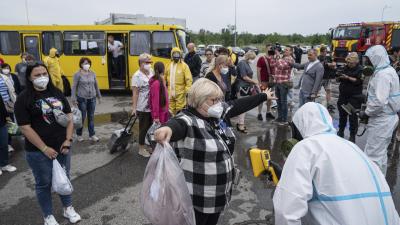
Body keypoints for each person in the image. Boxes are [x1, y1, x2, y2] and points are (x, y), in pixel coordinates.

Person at [154, 78, 276, 225]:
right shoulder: (188, 120)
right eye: (214, 100)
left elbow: (237, 105)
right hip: (197, 199)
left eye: (220, 99)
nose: (218, 103)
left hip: (218, 195)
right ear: (199, 100)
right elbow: (177, 125)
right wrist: (167, 129)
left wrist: (263, 96)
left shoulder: (215, 114)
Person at [273, 102, 400, 225]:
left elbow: (286, 212)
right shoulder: (352, 147)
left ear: (299, 128)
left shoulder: (306, 147)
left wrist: (286, 184)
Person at [14, 62, 81, 225]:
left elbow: (69, 117)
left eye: (44, 73)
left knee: (64, 178)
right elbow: (25, 127)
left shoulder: (56, 92)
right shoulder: (23, 99)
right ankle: (48, 216)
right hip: (38, 152)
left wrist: (68, 140)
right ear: (29, 78)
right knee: (43, 183)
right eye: (37, 75)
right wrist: (44, 148)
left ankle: (68, 208)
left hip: (62, 147)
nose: (42, 77)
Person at [362, 45, 400, 175]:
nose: (366, 63)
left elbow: (379, 102)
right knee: (381, 154)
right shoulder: (386, 70)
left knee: (373, 155)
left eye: (368, 60)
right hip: (387, 118)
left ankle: (372, 186)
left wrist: (366, 112)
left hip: (382, 120)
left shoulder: (382, 75)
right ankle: (381, 184)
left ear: (375, 59)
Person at [71, 57, 102, 142]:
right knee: (83, 117)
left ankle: (92, 135)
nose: (87, 65)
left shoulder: (93, 73)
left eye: (88, 63)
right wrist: (73, 99)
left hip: (92, 98)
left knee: (91, 117)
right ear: (81, 64)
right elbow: (74, 87)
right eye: (85, 63)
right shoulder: (77, 74)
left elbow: (96, 85)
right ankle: (79, 135)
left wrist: (99, 97)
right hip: (82, 99)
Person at [336, 52, 363, 143]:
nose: (349, 64)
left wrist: (347, 77)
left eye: (351, 63)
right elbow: (338, 78)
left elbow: (358, 81)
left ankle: (352, 136)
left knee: (352, 117)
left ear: (356, 62)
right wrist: (338, 76)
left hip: (353, 98)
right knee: (342, 115)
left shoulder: (360, 69)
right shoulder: (345, 67)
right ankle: (341, 132)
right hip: (343, 96)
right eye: (348, 62)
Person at [132, 53, 154, 157]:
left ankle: (148, 146)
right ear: (141, 63)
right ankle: (141, 148)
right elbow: (135, 93)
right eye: (147, 62)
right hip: (143, 107)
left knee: (151, 128)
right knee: (143, 128)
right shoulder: (136, 76)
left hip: (152, 106)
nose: (149, 64)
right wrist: (134, 108)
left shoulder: (151, 72)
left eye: (150, 62)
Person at [165, 47, 192, 116]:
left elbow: (188, 79)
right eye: (174, 54)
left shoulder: (184, 66)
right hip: (170, 92)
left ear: (180, 55)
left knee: (180, 111)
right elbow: (164, 78)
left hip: (180, 93)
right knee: (170, 111)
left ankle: (179, 124)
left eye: (178, 54)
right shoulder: (168, 65)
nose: (176, 56)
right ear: (172, 55)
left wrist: (187, 91)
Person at [236, 50, 258, 133]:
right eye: (252, 58)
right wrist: (254, 81)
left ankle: (241, 123)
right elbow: (244, 77)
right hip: (242, 87)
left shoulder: (246, 63)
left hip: (246, 87)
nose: (253, 60)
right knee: (243, 106)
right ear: (248, 57)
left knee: (244, 106)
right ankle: (240, 124)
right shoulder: (242, 63)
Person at [273, 47, 294, 125]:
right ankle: (279, 117)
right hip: (277, 82)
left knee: (283, 102)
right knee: (278, 102)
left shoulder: (290, 59)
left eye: (287, 50)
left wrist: (278, 57)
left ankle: (284, 120)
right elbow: (275, 65)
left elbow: (281, 66)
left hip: (284, 83)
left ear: (291, 52)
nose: (285, 51)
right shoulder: (282, 58)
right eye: (284, 49)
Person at [256, 44, 276, 121]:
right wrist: (259, 82)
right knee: (262, 97)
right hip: (263, 81)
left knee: (270, 97)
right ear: (266, 48)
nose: (271, 49)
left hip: (271, 81)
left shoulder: (274, 58)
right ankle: (259, 113)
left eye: (272, 48)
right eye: (269, 48)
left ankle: (268, 112)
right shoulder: (261, 59)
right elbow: (258, 71)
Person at [0, 65, 17, 152]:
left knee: (9, 124)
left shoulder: (4, 77)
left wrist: (14, 102)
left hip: (7, 104)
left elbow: (11, 90)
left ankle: (8, 143)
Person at [0, 96, 16, 176]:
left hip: (1, 122)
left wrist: (7, 117)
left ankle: (4, 164)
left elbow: (1, 104)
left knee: (4, 144)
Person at [318, 46, 336, 111]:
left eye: (326, 51)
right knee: (316, 91)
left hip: (328, 77)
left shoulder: (328, 57)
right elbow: (323, 64)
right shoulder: (319, 58)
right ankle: (313, 102)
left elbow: (333, 63)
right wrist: (330, 64)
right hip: (320, 77)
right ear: (321, 52)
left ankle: (329, 104)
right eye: (324, 51)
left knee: (328, 91)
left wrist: (333, 64)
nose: (326, 53)